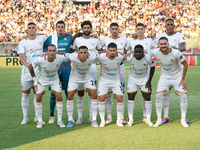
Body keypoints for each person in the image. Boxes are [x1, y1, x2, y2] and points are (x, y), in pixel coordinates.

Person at [149, 37, 189, 127]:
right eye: (161, 44)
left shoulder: (176, 53)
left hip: (177, 76)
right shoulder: (155, 52)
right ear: (158, 45)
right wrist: (132, 52)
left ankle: (183, 119)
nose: (163, 46)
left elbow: (185, 64)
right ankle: (159, 119)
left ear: (168, 44)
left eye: (165, 44)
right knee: (158, 95)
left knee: (183, 95)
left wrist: (183, 79)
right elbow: (145, 53)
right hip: (165, 76)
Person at [154, 19, 188, 124]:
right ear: (165, 26)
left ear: (174, 26)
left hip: (178, 69)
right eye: (167, 25)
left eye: (171, 25)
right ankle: (165, 116)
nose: (169, 26)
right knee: (165, 94)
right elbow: (155, 47)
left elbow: (184, 47)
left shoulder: (179, 35)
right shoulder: (160, 36)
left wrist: (175, 49)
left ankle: (183, 118)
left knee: (182, 94)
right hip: (166, 71)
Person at [28, 44, 68, 128]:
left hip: (54, 79)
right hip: (42, 80)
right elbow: (30, 66)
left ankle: (60, 121)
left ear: (56, 52)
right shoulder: (40, 59)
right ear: (46, 52)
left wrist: (63, 52)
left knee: (59, 97)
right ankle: (40, 121)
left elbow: (71, 56)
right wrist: (35, 81)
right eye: (50, 51)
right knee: (38, 97)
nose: (52, 53)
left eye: (54, 51)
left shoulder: (60, 58)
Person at [126, 23, 157, 123]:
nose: (140, 31)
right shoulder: (131, 40)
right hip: (134, 70)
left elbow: (156, 49)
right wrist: (129, 52)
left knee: (146, 95)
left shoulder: (149, 40)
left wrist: (150, 53)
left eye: (141, 29)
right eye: (138, 29)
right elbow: (124, 50)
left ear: (144, 30)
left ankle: (145, 117)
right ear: (136, 30)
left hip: (145, 70)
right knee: (131, 95)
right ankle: (130, 118)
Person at [72, 21, 102, 124]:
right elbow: (72, 51)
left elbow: (101, 51)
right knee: (80, 93)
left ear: (91, 29)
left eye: (88, 27)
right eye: (84, 27)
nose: (86, 29)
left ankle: (91, 117)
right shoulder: (77, 40)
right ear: (82, 29)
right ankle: (79, 118)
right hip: (79, 69)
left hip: (92, 68)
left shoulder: (95, 40)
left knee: (92, 93)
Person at [43, 20, 73, 124]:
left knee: (68, 93)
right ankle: (51, 115)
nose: (60, 28)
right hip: (54, 69)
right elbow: (45, 51)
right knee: (53, 93)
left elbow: (74, 49)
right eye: (58, 26)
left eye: (62, 27)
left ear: (64, 28)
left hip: (67, 69)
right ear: (55, 28)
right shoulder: (51, 38)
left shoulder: (70, 38)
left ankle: (70, 116)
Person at [18, 22, 47, 124]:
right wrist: (27, 64)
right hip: (26, 72)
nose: (31, 29)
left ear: (36, 29)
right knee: (25, 94)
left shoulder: (42, 38)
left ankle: (37, 117)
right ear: (27, 30)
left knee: (37, 94)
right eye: (29, 28)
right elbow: (21, 56)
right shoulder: (23, 42)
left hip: (39, 72)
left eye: (33, 28)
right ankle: (25, 117)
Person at [100, 23, 128, 124]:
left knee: (120, 94)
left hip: (119, 69)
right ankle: (109, 116)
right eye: (113, 29)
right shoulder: (105, 40)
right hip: (107, 68)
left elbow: (126, 51)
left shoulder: (124, 40)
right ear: (110, 30)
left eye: (116, 29)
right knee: (108, 95)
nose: (115, 31)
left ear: (118, 29)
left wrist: (122, 54)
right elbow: (99, 50)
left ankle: (122, 117)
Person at [66, 46, 99, 128]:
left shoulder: (92, 57)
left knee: (94, 95)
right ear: (78, 53)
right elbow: (64, 54)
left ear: (88, 53)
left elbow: (101, 53)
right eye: (81, 53)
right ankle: (72, 120)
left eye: (85, 53)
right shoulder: (73, 57)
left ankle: (94, 119)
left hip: (87, 77)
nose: (83, 54)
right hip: (74, 78)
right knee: (70, 96)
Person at [125, 44, 155, 127]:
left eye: (140, 52)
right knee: (131, 97)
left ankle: (148, 119)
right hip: (132, 79)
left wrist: (149, 81)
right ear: (133, 52)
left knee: (147, 97)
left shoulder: (148, 57)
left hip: (144, 79)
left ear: (143, 52)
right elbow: (120, 61)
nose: (138, 54)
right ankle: (130, 119)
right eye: (136, 52)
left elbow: (153, 67)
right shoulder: (130, 57)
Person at [97, 42, 125, 127]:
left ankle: (119, 121)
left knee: (120, 99)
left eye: (114, 50)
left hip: (116, 81)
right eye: (110, 50)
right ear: (107, 51)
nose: (112, 52)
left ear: (117, 51)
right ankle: (102, 121)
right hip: (103, 81)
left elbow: (127, 56)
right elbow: (91, 57)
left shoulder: (120, 57)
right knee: (101, 99)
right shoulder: (101, 57)